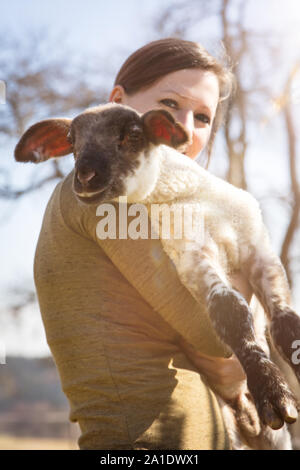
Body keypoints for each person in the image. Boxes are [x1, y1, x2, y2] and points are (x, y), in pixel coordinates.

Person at [34, 38, 251, 450]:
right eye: (170, 104)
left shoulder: (161, 211)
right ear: (118, 101)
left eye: (203, 117)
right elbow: (218, 338)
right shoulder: (105, 197)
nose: (186, 129)